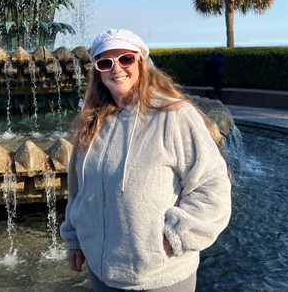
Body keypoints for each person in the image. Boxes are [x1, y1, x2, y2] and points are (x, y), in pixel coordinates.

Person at [60, 29, 232, 292]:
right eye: (105, 63)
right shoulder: (93, 122)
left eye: (125, 59)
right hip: (101, 273)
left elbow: (213, 186)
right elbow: (78, 189)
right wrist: (74, 238)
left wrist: (172, 237)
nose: (116, 69)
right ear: (98, 72)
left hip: (159, 276)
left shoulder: (175, 115)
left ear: (141, 62)